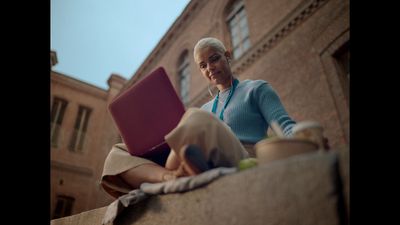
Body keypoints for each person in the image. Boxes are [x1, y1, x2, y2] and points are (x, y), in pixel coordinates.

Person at [100, 37, 296, 198]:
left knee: (193, 117)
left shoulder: (256, 89)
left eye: (214, 59)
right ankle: (170, 177)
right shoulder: (205, 108)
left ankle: (177, 169)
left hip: (241, 156)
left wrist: (306, 136)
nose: (209, 67)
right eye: (203, 65)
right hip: (195, 157)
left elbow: (285, 126)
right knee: (117, 153)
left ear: (228, 56)